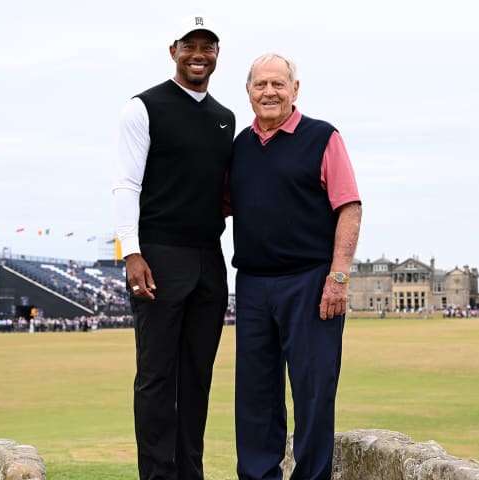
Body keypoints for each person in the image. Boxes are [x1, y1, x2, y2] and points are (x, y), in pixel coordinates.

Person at [111, 15, 235, 480]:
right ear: (173, 51)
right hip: (158, 255)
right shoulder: (142, 108)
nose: (199, 54)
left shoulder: (226, 117)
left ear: (218, 54)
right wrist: (131, 252)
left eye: (208, 46)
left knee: (197, 378)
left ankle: (191, 472)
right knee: (157, 378)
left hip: (210, 260)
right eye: (190, 45)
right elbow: (125, 184)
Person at [229, 53, 362, 480]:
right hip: (251, 284)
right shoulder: (239, 148)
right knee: (255, 397)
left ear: (295, 89)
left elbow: (350, 207)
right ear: (248, 92)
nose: (269, 92)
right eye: (260, 85)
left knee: (313, 393)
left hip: (311, 283)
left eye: (278, 84)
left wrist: (338, 277)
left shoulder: (322, 137)